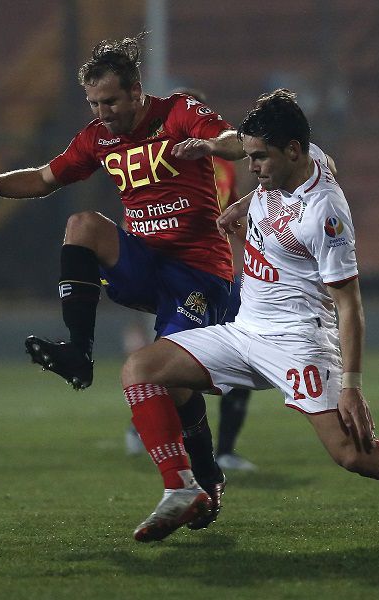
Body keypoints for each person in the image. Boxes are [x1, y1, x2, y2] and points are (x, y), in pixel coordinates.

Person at [119, 88, 379, 543]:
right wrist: (243, 197)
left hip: (299, 340)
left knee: (353, 456)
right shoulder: (297, 159)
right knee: (145, 369)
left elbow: (349, 304)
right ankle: (184, 487)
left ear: (292, 151)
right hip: (245, 329)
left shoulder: (326, 214)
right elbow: (276, 161)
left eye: (259, 158)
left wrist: (352, 386)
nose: (251, 167)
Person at [0, 33, 245, 529]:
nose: (104, 112)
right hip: (145, 264)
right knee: (82, 225)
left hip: (198, 272)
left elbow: (236, 142)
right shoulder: (98, 137)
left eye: (112, 101)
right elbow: (44, 177)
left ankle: (204, 481)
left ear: (137, 90)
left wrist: (210, 144)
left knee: (171, 379)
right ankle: (80, 351)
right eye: (96, 103)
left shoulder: (178, 111)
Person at [123, 87, 258, 471]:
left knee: (245, 356)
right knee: (172, 361)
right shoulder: (155, 160)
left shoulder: (223, 164)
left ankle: (226, 450)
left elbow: (231, 216)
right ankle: (146, 427)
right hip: (176, 274)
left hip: (221, 275)